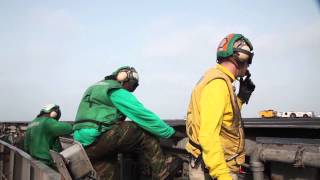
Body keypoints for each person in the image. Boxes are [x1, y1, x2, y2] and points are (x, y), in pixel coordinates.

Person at [73, 66, 183, 180]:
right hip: (98, 137)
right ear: (123, 78)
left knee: (108, 172)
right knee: (143, 131)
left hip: (84, 145)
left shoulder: (94, 88)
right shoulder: (115, 90)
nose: (132, 89)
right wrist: (170, 133)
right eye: (133, 84)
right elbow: (142, 115)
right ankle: (162, 173)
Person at [185, 34, 256, 180]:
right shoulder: (218, 85)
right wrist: (223, 176)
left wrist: (241, 99)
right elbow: (208, 136)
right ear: (240, 58)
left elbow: (225, 119)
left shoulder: (217, 79)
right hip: (215, 168)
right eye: (249, 60)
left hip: (211, 164)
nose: (248, 66)